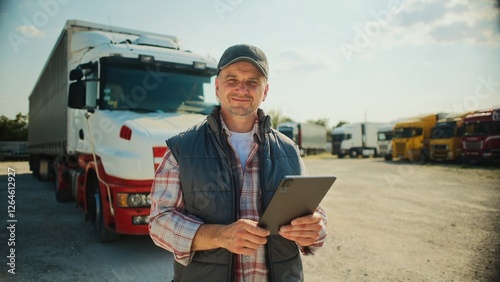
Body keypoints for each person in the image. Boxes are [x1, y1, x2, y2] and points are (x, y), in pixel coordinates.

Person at [149, 44, 328, 282]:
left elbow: (313, 213)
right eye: (232, 79)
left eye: (253, 81)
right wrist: (219, 236)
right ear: (217, 87)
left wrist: (314, 229)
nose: (242, 89)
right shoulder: (182, 149)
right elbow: (159, 221)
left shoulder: (289, 150)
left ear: (265, 91)